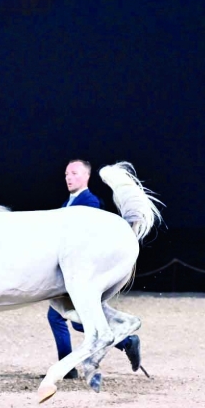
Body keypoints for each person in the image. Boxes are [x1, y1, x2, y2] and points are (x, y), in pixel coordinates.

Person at [46, 159, 141, 379]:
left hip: (82, 272)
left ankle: (124, 341)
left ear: (86, 176)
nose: (69, 177)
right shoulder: (66, 205)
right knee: (64, 318)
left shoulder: (90, 203)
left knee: (73, 321)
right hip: (67, 273)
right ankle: (71, 366)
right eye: (67, 173)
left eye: (74, 173)